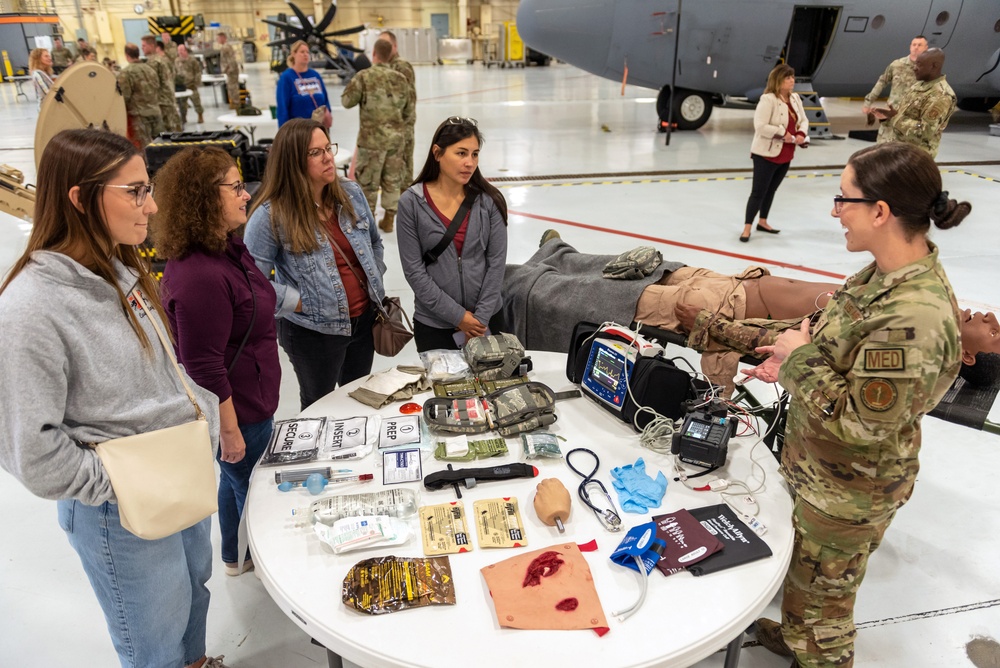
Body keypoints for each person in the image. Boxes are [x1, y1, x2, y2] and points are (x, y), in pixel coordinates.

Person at [717, 142, 969, 666]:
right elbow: (839, 347)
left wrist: (798, 360)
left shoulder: (913, 317)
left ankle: (815, 652)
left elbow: (860, 423)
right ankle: (793, 634)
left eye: (843, 198)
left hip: (848, 492)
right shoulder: (880, 274)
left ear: (880, 211)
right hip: (821, 475)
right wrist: (793, 351)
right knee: (805, 585)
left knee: (825, 622)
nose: (835, 211)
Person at [0, 128, 226, 668]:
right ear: (80, 199)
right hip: (120, 511)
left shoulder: (120, 270)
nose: (150, 206)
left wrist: (203, 418)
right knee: (154, 641)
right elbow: (33, 455)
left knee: (194, 601)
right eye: (135, 192)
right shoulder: (30, 309)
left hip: (178, 477)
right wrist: (124, 484)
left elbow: (165, 371)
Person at [154, 147, 281, 577]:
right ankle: (272, 571)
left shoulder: (226, 247)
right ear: (205, 198)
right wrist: (229, 432)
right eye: (234, 188)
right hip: (239, 411)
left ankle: (235, 556)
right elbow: (204, 366)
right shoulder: (199, 275)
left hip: (251, 400)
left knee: (233, 484)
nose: (246, 195)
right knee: (257, 496)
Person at [245, 118, 386, 410]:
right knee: (318, 405)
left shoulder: (351, 195)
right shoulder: (270, 216)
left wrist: (374, 280)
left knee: (360, 400)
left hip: (363, 323)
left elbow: (375, 242)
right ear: (293, 161)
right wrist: (300, 302)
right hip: (313, 333)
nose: (328, 157)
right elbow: (250, 282)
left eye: (328, 148)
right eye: (315, 153)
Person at [397, 116, 508, 351]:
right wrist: (459, 317)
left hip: (488, 320)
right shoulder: (412, 203)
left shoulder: (489, 201)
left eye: (475, 154)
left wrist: (479, 320)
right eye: (461, 153)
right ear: (437, 153)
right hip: (435, 326)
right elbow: (414, 272)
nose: (469, 162)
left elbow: (497, 264)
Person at [341, 38, 415, 233]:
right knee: (392, 180)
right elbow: (409, 111)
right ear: (390, 53)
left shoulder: (363, 76)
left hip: (370, 142)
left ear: (374, 54)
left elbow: (346, 101)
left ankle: (369, 221)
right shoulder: (400, 79)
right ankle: (389, 219)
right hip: (395, 141)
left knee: (368, 183)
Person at [741, 63, 809, 242]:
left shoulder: (795, 98)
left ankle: (762, 222)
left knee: (771, 190)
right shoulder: (768, 99)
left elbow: (803, 119)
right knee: (758, 192)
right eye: (788, 77)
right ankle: (747, 228)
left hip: (786, 153)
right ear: (778, 80)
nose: (792, 80)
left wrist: (801, 133)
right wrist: (782, 133)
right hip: (765, 154)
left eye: (793, 77)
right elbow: (760, 126)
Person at [872, 48, 956, 159]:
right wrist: (889, 115)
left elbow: (925, 131)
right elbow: (908, 114)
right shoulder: (919, 85)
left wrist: (895, 117)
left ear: (934, 66)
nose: (914, 68)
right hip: (901, 149)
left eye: (919, 65)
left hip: (916, 157)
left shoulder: (941, 95)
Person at [862, 35, 927, 142]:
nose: (916, 47)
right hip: (891, 114)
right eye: (914, 44)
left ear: (926, 48)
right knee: (883, 149)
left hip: (911, 116)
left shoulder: (926, 69)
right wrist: (868, 102)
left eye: (920, 45)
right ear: (910, 47)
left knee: (906, 151)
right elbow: (882, 82)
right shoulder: (897, 65)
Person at [379, 30, 417, 182]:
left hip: (402, 128)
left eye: (386, 44)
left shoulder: (401, 67)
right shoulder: (383, 66)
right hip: (386, 130)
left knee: (403, 171)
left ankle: (407, 204)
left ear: (394, 46)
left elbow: (408, 101)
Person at [118, 43, 165, 149]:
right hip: (155, 112)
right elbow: (157, 87)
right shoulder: (150, 69)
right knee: (161, 145)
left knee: (145, 149)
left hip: (139, 116)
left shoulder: (126, 73)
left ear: (126, 55)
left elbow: (125, 96)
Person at [275, 40, 331, 127]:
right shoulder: (286, 78)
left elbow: (325, 100)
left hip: (319, 127)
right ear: (293, 54)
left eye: (307, 52)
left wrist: (328, 113)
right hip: (299, 130)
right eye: (302, 52)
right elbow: (282, 108)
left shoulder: (315, 76)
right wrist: (284, 131)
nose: (305, 54)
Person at [142, 35, 182, 132]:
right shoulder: (162, 59)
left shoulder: (153, 62)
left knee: (168, 131)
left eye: (144, 46)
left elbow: (151, 85)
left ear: (152, 46)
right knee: (175, 127)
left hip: (162, 102)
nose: (142, 48)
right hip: (169, 99)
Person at [176, 44, 205, 124]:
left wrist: (196, 82)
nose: (180, 52)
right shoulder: (177, 61)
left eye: (181, 50)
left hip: (192, 85)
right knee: (182, 104)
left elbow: (197, 72)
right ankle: (183, 117)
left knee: (196, 102)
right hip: (182, 86)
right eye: (178, 51)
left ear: (185, 51)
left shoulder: (192, 60)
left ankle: (200, 116)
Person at [217, 32, 241, 110]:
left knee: (232, 87)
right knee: (231, 87)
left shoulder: (225, 47)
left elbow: (230, 60)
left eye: (218, 38)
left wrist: (228, 69)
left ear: (223, 38)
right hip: (231, 69)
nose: (217, 40)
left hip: (231, 70)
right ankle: (234, 102)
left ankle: (236, 103)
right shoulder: (226, 46)